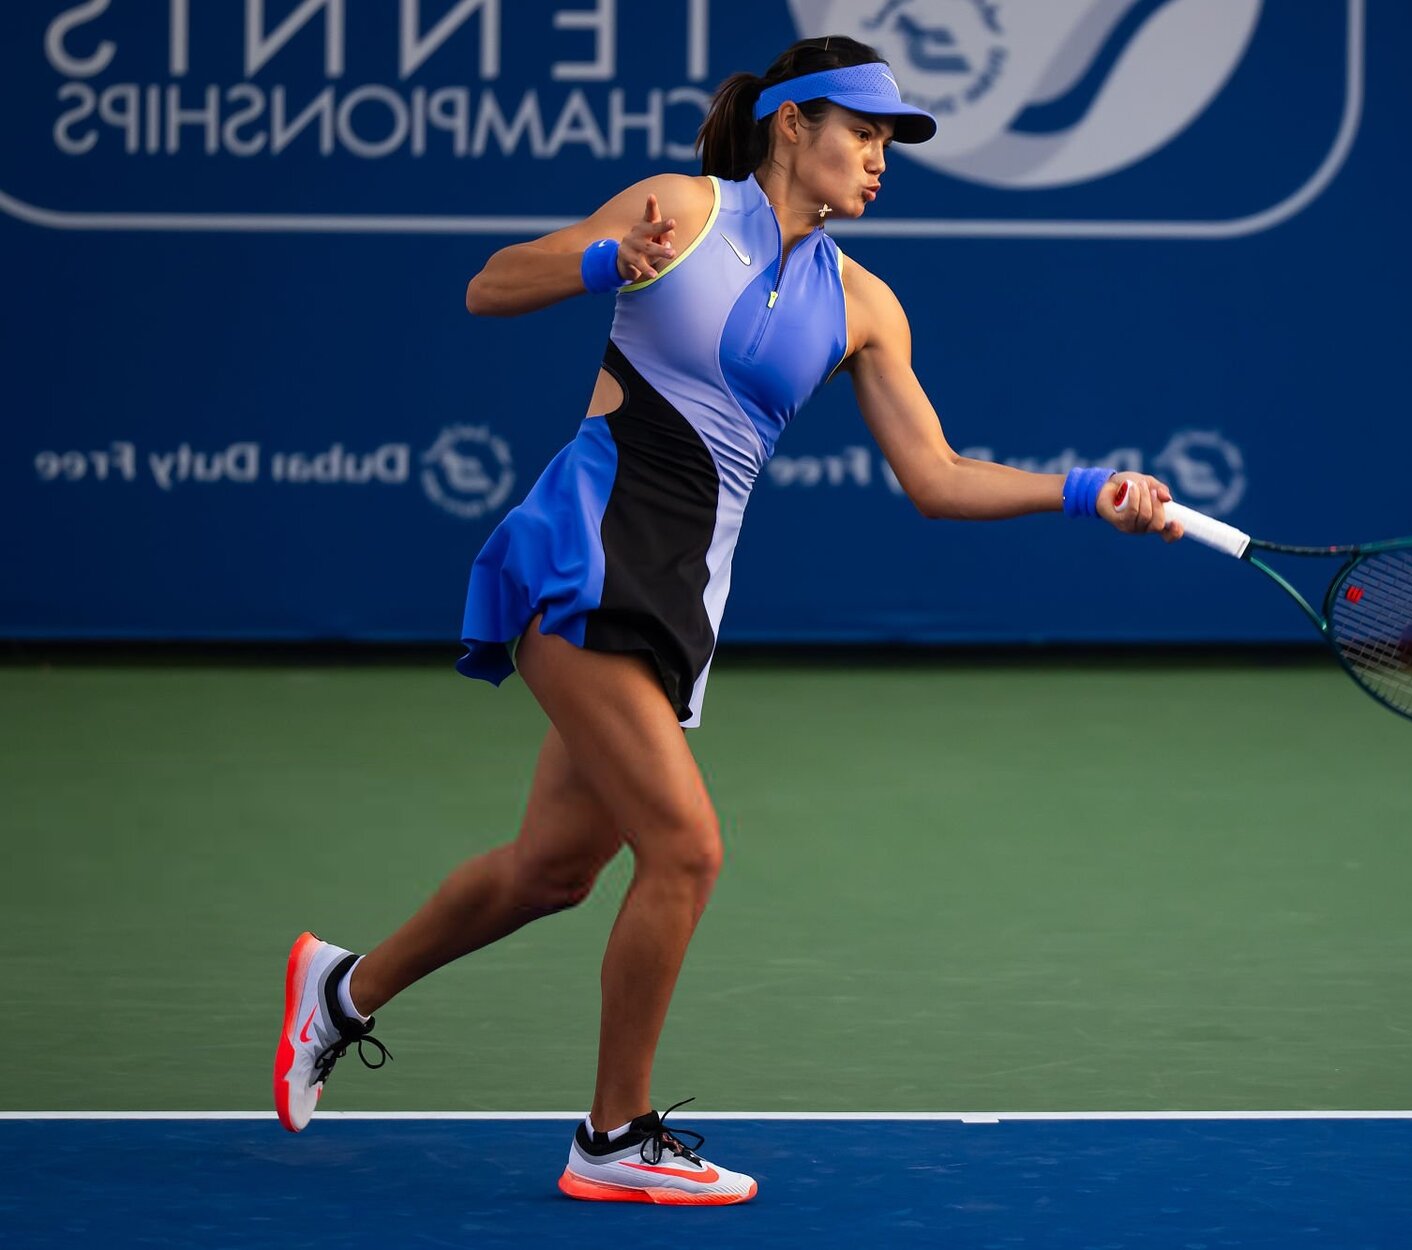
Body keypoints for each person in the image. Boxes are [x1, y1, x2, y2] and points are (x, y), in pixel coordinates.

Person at [271, 35, 1183, 1206]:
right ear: (793, 123)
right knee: (687, 849)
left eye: (892, 141)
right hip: (584, 551)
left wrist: (1084, 490)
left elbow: (938, 475)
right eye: (864, 132)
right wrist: (605, 260)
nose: (881, 158)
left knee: (551, 870)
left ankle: (340, 991)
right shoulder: (682, 211)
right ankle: (613, 1132)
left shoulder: (864, 303)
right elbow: (489, 285)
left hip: (679, 597)